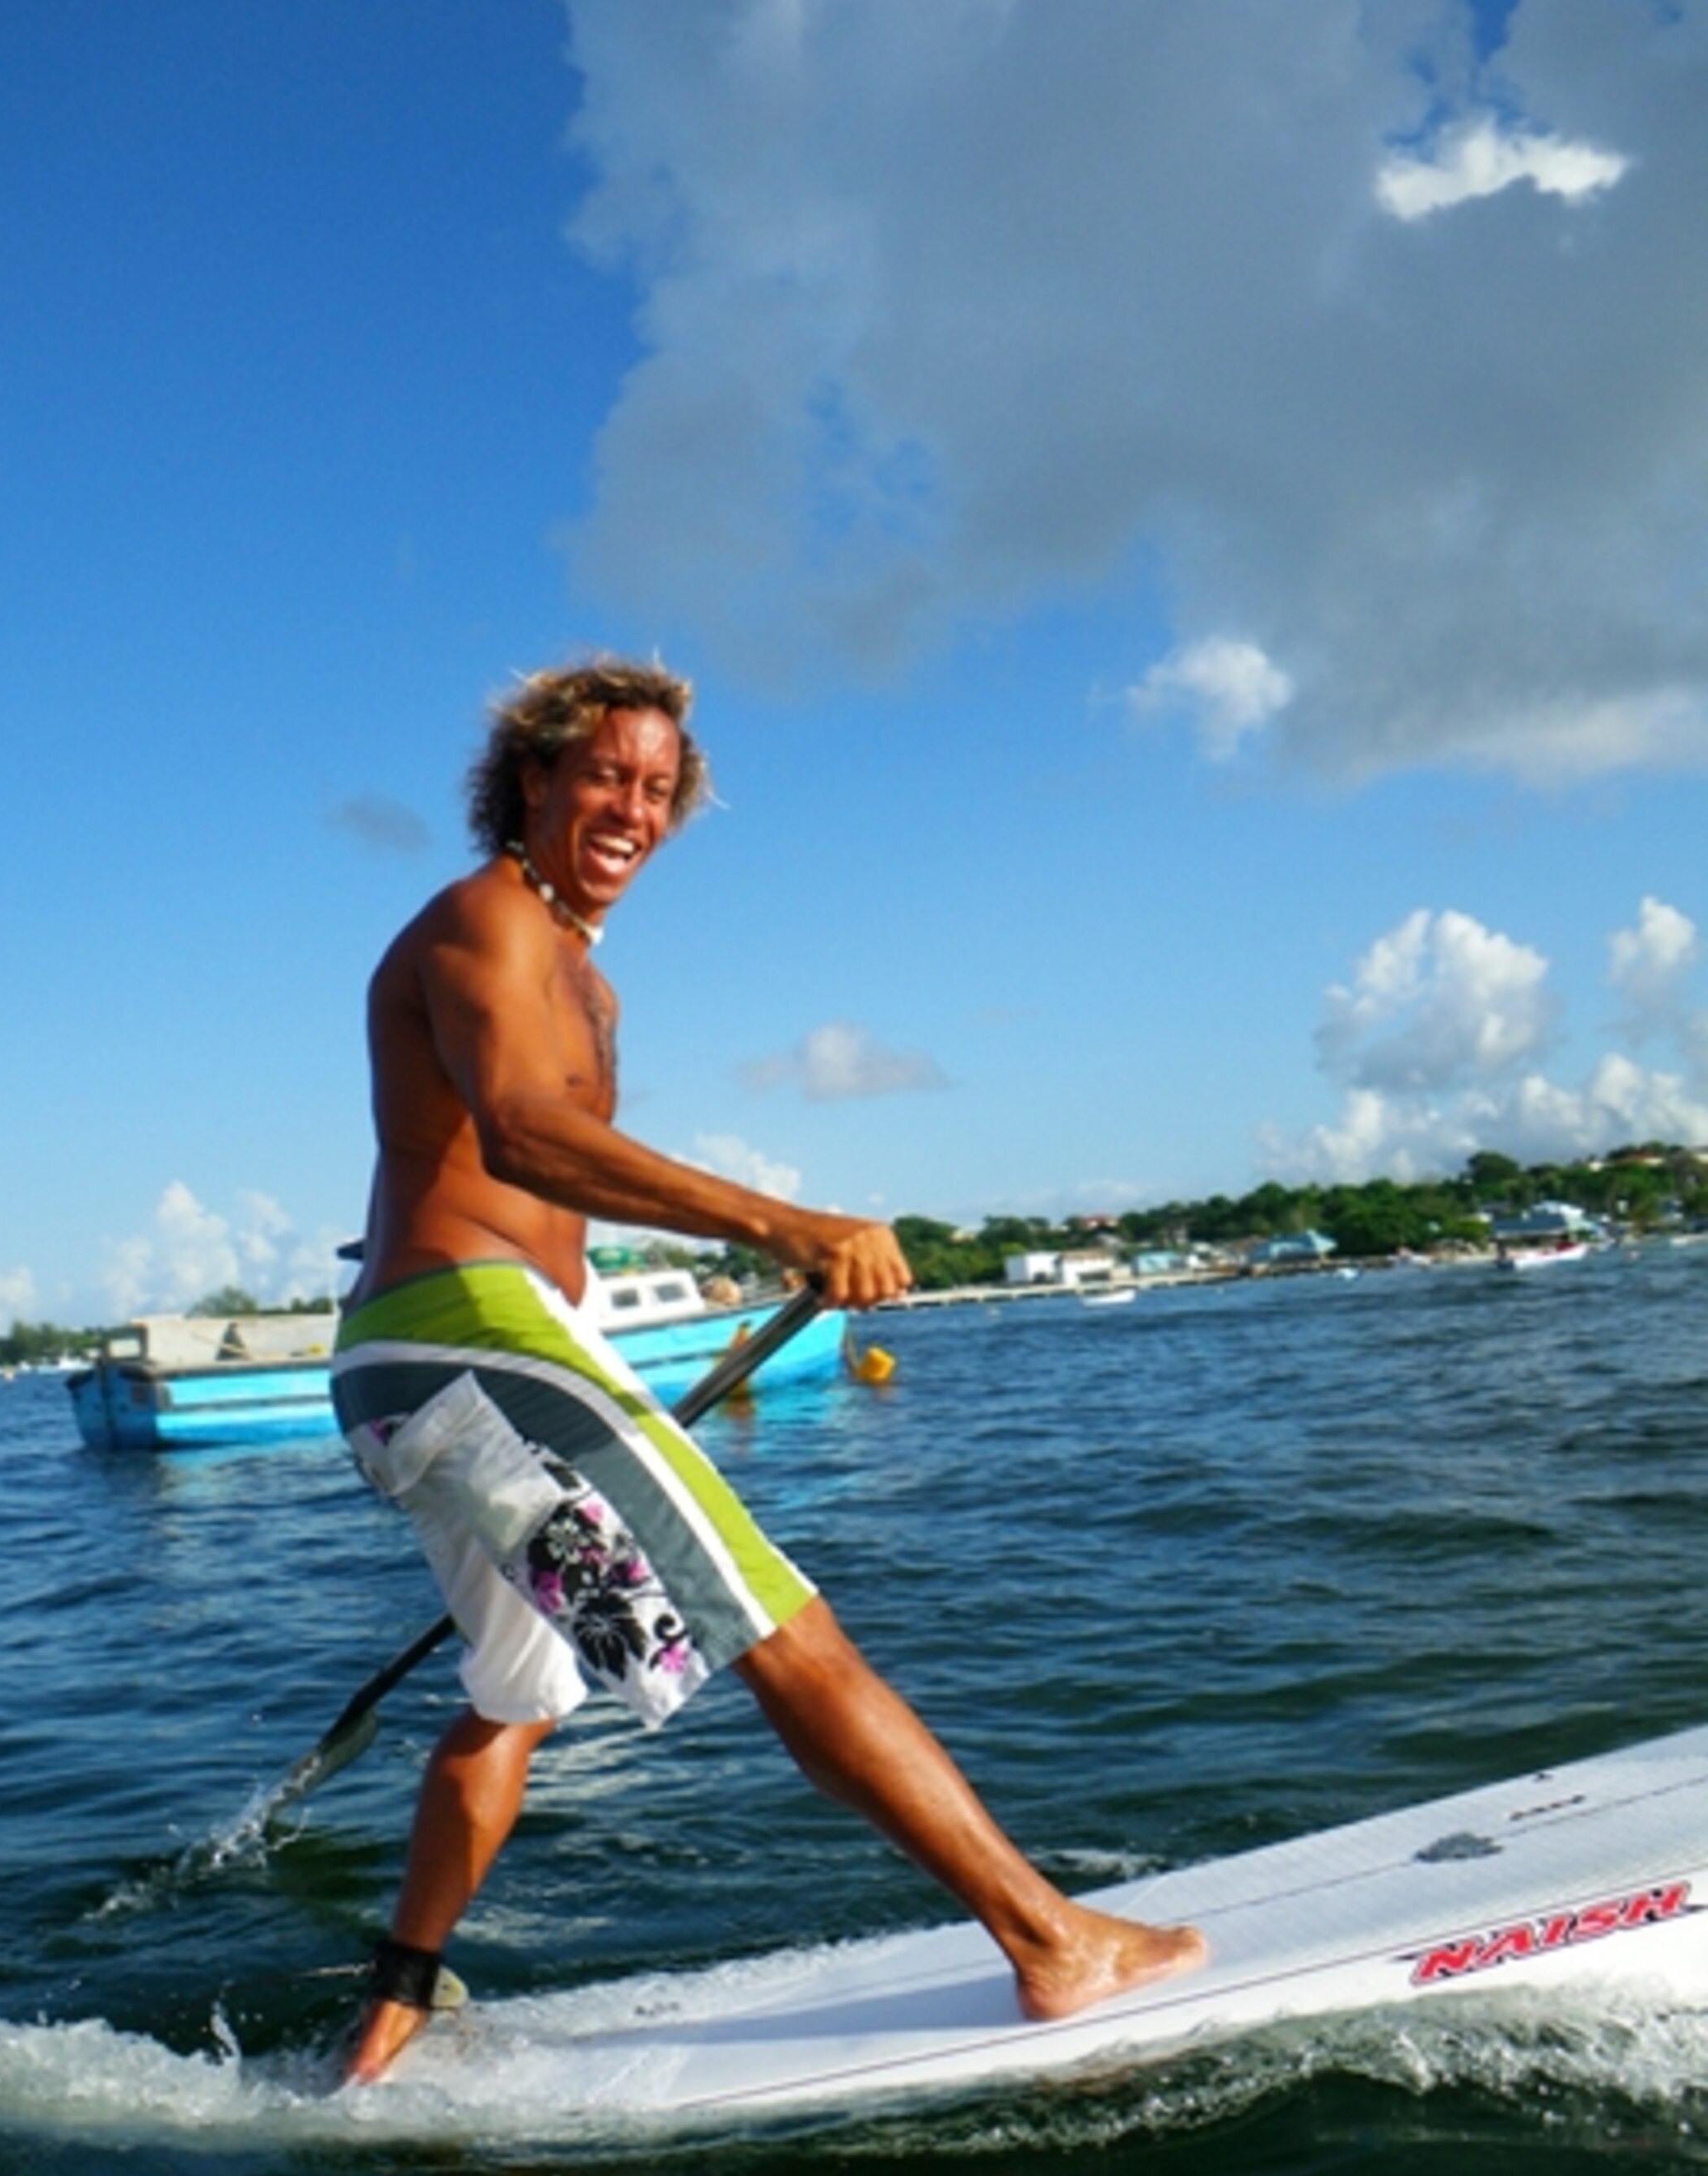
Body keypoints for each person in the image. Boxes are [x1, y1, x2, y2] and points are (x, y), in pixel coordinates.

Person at [331, 658, 1205, 2082]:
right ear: (534, 780)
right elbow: (523, 1135)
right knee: (780, 1624)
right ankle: (1051, 1941)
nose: (632, 806)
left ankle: (387, 2021)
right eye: (605, 775)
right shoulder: (487, 922)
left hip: (422, 1367)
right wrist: (785, 1220)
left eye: (660, 788)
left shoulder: (567, 958)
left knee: (517, 1692)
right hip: (475, 1344)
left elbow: (467, 1160)